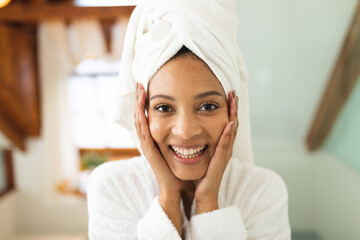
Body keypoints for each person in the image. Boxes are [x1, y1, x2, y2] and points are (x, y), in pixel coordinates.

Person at [87, 0, 291, 239]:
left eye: (207, 106)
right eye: (164, 107)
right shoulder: (113, 187)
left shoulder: (263, 192)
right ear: (143, 112)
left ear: (232, 109)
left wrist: (208, 200)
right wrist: (167, 195)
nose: (185, 131)